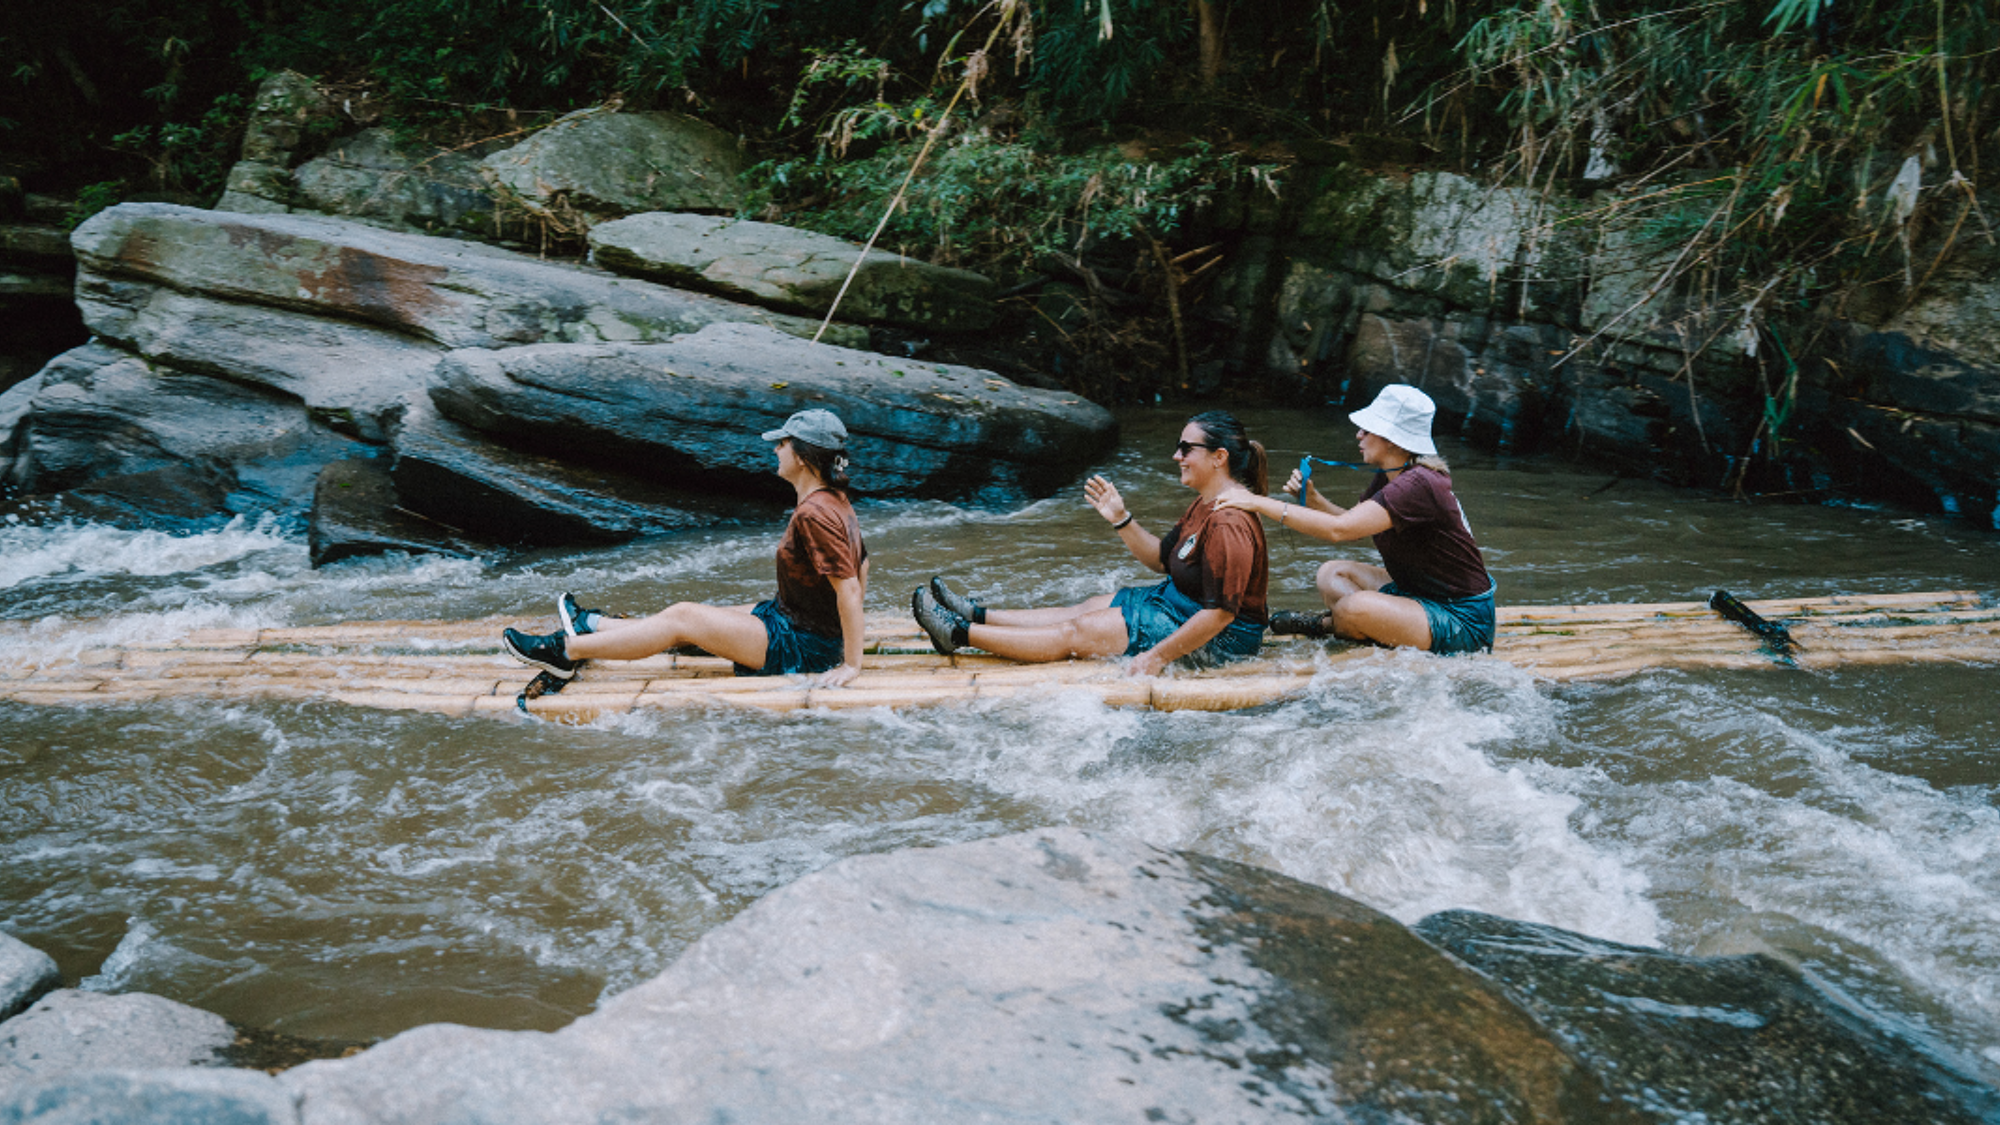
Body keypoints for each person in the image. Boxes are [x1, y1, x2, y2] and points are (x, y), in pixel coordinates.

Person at [502, 409, 869, 687]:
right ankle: (591, 624)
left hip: (803, 647)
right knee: (690, 623)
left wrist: (849, 663)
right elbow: (862, 564)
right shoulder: (833, 500)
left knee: (683, 617)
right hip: (793, 623)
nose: (776, 449)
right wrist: (833, 630)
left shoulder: (815, 514)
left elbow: (849, 587)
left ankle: (564, 651)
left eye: (783, 443)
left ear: (803, 457)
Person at [913, 411, 1269, 676]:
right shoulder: (1206, 502)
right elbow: (1163, 559)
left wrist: (1156, 657)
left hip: (1223, 640)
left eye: (1186, 448)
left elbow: (1222, 612)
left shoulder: (1230, 522)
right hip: (1178, 602)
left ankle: (959, 634)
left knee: (1078, 632)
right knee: (1083, 610)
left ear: (1219, 457)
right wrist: (1121, 518)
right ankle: (976, 615)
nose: (1176, 456)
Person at [1215, 384, 1495, 654]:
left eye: (1367, 429)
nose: (1358, 435)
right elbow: (1356, 524)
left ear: (1391, 438)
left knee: (1354, 607)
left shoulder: (1419, 484)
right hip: (1415, 593)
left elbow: (1340, 530)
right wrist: (1314, 500)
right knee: (1331, 574)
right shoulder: (1392, 474)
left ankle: (1326, 624)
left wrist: (1257, 502)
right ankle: (1364, 626)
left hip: (1462, 620)